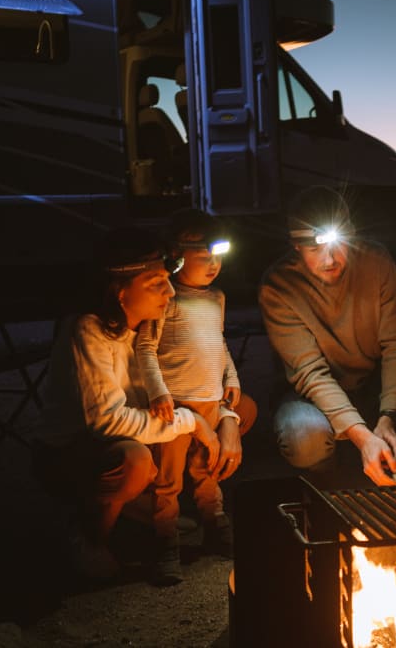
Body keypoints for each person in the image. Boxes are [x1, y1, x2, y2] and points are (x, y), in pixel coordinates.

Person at [31, 226, 221, 581]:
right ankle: (89, 536)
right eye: (155, 284)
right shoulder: (88, 331)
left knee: (225, 419)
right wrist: (193, 422)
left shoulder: (143, 330)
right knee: (134, 461)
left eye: (168, 280)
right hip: (68, 454)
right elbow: (106, 421)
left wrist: (217, 415)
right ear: (120, 294)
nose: (169, 291)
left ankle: (138, 513)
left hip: (127, 446)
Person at [258, 187, 396, 487]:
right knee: (303, 436)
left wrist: (389, 416)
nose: (330, 258)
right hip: (313, 398)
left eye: (339, 244)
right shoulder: (278, 287)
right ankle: (334, 483)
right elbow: (311, 375)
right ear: (295, 246)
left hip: (374, 384)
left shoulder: (375, 262)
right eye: (314, 248)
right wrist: (362, 438)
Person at [135, 208, 257, 583]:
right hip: (173, 405)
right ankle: (165, 543)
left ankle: (215, 525)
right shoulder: (165, 299)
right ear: (176, 255)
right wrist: (157, 392)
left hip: (209, 398)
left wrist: (231, 377)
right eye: (204, 256)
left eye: (219, 256)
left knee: (208, 470)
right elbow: (145, 349)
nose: (214, 264)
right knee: (167, 481)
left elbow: (219, 344)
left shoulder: (216, 298)